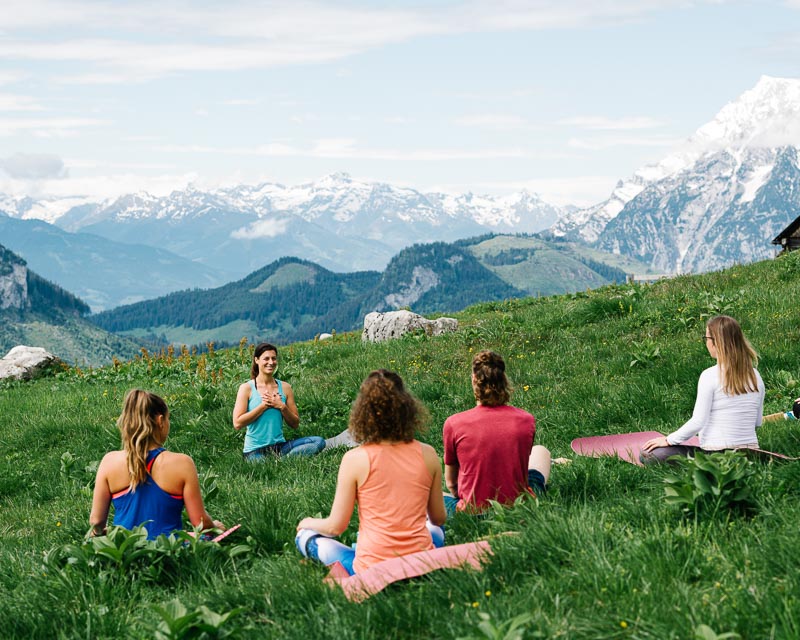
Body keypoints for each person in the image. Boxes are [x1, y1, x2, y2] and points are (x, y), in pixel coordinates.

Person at [295, 370, 447, 575]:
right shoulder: (428, 453)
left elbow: (335, 527)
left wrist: (307, 522)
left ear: (363, 412)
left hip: (374, 568)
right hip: (420, 562)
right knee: (434, 530)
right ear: (407, 407)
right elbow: (438, 518)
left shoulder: (354, 459)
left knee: (305, 536)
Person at [90, 389, 223, 539]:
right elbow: (200, 523)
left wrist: (103, 533)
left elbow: (96, 521)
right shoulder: (182, 463)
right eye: (168, 419)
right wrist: (214, 526)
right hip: (168, 551)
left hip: (126, 553)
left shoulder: (109, 461)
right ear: (160, 421)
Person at [641, 315, 765, 463]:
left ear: (716, 342)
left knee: (650, 454)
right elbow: (757, 422)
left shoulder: (709, 375)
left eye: (706, 338)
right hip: (749, 454)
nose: (706, 343)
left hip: (717, 455)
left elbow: (698, 421)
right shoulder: (756, 376)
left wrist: (669, 440)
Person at [443, 350, 551, 515]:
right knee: (541, 451)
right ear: (504, 380)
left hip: (473, 512)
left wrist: (465, 498)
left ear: (474, 380)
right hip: (519, 506)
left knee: (428, 492)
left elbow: (451, 483)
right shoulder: (526, 419)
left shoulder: (454, 423)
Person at [233, 342, 345, 459]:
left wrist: (282, 407)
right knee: (262, 465)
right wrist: (263, 406)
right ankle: (282, 461)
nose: (271, 362)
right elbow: (237, 423)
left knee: (319, 441)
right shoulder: (246, 388)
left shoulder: (285, 387)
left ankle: (281, 460)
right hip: (255, 450)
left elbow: (295, 424)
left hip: (280, 446)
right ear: (257, 360)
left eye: (274, 358)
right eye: (266, 359)